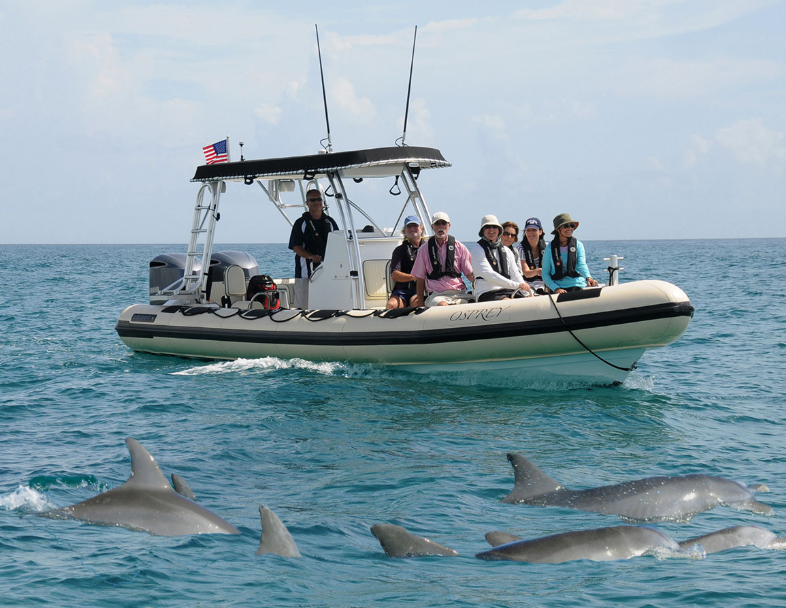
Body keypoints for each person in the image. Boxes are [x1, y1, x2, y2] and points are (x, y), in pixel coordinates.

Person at [288, 188, 340, 307]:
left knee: (326, 301)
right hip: (305, 271)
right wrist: (310, 257)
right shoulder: (301, 223)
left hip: (327, 270)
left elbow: (338, 243)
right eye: (313, 200)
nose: (317, 202)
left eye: (319, 199)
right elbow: (295, 246)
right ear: (307, 203)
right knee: (303, 303)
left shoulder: (330, 222)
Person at [411, 212, 475, 306]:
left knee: (474, 304)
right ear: (432, 227)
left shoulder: (460, 247)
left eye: (443, 223)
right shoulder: (423, 250)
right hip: (437, 296)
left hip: (459, 294)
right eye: (437, 224)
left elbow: (470, 275)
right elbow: (420, 279)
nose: (441, 226)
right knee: (443, 306)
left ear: (449, 226)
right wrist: (421, 305)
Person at [470, 215, 531, 302]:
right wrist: (517, 285)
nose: (491, 230)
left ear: (499, 230)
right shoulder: (477, 249)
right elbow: (489, 274)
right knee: (508, 301)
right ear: (483, 231)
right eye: (487, 227)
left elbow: (515, 274)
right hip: (487, 292)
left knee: (529, 299)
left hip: (509, 290)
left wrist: (527, 291)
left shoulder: (507, 251)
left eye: (494, 227)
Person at [540, 213, 599, 294]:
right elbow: (545, 273)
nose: (570, 228)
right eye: (565, 226)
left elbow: (582, 265)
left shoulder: (578, 245)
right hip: (558, 288)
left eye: (572, 225)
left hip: (577, 286)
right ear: (558, 229)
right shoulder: (549, 248)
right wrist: (556, 288)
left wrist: (589, 278)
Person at [386, 215, 425, 309]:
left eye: (415, 225)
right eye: (409, 226)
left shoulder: (428, 249)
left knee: (416, 303)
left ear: (421, 228)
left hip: (421, 290)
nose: (412, 228)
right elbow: (395, 275)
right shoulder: (399, 250)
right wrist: (414, 277)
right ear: (404, 231)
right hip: (402, 291)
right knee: (391, 305)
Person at [518, 217, 548, 295]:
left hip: (545, 284)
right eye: (528, 230)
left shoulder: (547, 247)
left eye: (534, 230)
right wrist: (537, 271)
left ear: (540, 232)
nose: (531, 233)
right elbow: (526, 273)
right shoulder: (520, 249)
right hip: (527, 285)